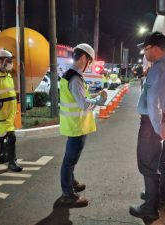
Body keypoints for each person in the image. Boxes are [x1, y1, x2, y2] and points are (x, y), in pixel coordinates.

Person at [129, 31, 165, 220]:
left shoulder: (157, 68)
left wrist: (158, 127)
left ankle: (149, 208)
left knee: (148, 164)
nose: (144, 53)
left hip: (152, 123)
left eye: (146, 49)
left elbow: (153, 101)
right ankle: (159, 198)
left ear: (155, 49)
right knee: (161, 161)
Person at [59, 43, 107, 207]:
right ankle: (68, 195)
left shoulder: (71, 75)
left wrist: (93, 95)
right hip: (76, 126)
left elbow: (79, 98)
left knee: (70, 159)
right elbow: (83, 104)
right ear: (84, 58)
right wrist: (98, 100)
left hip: (75, 125)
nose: (90, 66)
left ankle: (71, 183)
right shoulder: (75, 78)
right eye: (90, 61)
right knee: (69, 161)